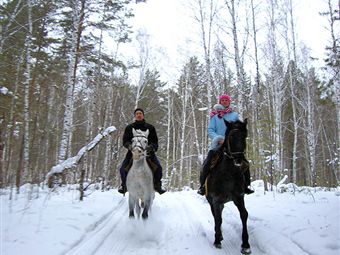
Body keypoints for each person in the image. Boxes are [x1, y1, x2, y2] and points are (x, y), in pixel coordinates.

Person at [197, 94, 254, 195]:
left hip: (232, 145)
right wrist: (218, 139)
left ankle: (246, 186)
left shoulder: (234, 115)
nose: (224, 102)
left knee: (244, 163)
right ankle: (202, 187)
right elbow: (210, 130)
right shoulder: (214, 116)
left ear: (229, 102)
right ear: (220, 102)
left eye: (226, 100)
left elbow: (239, 129)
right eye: (222, 100)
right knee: (207, 163)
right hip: (218, 144)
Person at [118, 108, 166, 195]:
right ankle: (124, 185)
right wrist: (130, 146)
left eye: (140, 113)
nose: (139, 115)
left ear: (143, 115)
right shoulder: (129, 128)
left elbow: (155, 141)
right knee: (122, 168)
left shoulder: (150, 128)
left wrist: (150, 147)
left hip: (148, 153)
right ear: (135, 116)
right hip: (133, 152)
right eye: (137, 114)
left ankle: (158, 185)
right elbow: (125, 141)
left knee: (158, 167)